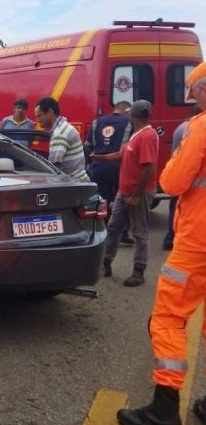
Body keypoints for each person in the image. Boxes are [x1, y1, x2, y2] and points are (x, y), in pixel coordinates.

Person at [116, 61, 206, 425]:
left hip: (198, 240)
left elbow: (172, 179)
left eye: (194, 91)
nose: (192, 99)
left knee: (168, 318)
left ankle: (165, 411)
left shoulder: (201, 128)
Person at [90, 100, 158, 287]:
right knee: (113, 228)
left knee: (140, 232)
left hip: (138, 193)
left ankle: (139, 271)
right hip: (124, 191)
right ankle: (106, 263)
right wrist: (99, 157)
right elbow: (121, 154)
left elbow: (148, 169)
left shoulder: (147, 136)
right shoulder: (136, 135)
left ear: (132, 116)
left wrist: (136, 195)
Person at [85, 101, 135, 245]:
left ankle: (102, 233)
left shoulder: (96, 122)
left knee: (102, 201)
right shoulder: (129, 122)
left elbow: (88, 146)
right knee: (122, 201)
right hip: (120, 167)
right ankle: (123, 233)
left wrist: (91, 163)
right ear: (127, 110)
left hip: (99, 166)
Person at [162, 103, 202, 250]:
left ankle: (170, 237)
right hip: (187, 178)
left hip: (178, 174)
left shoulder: (181, 128)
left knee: (174, 207)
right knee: (180, 210)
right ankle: (172, 238)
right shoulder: (193, 128)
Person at [34, 97, 89, 180]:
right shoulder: (64, 127)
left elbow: (52, 168)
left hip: (74, 186)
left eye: (39, 115)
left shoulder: (59, 133)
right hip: (79, 182)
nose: (37, 120)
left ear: (50, 112)